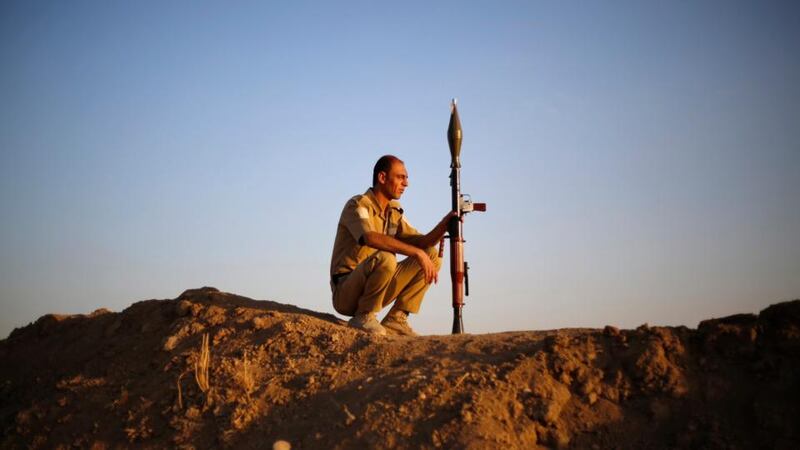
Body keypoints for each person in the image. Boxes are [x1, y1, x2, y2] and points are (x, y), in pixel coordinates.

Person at [330, 155, 453, 336]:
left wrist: (445, 224)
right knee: (387, 258)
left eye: (406, 178)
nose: (406, 183)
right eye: (400, 177)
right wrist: (416, 253)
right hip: (346, 291)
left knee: (431, 256)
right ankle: (363, 316)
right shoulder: (357, 205)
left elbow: (423, 242)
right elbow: (369, 237)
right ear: (382, 177)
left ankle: (397, 318)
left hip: (377, 288)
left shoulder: (394, 211)